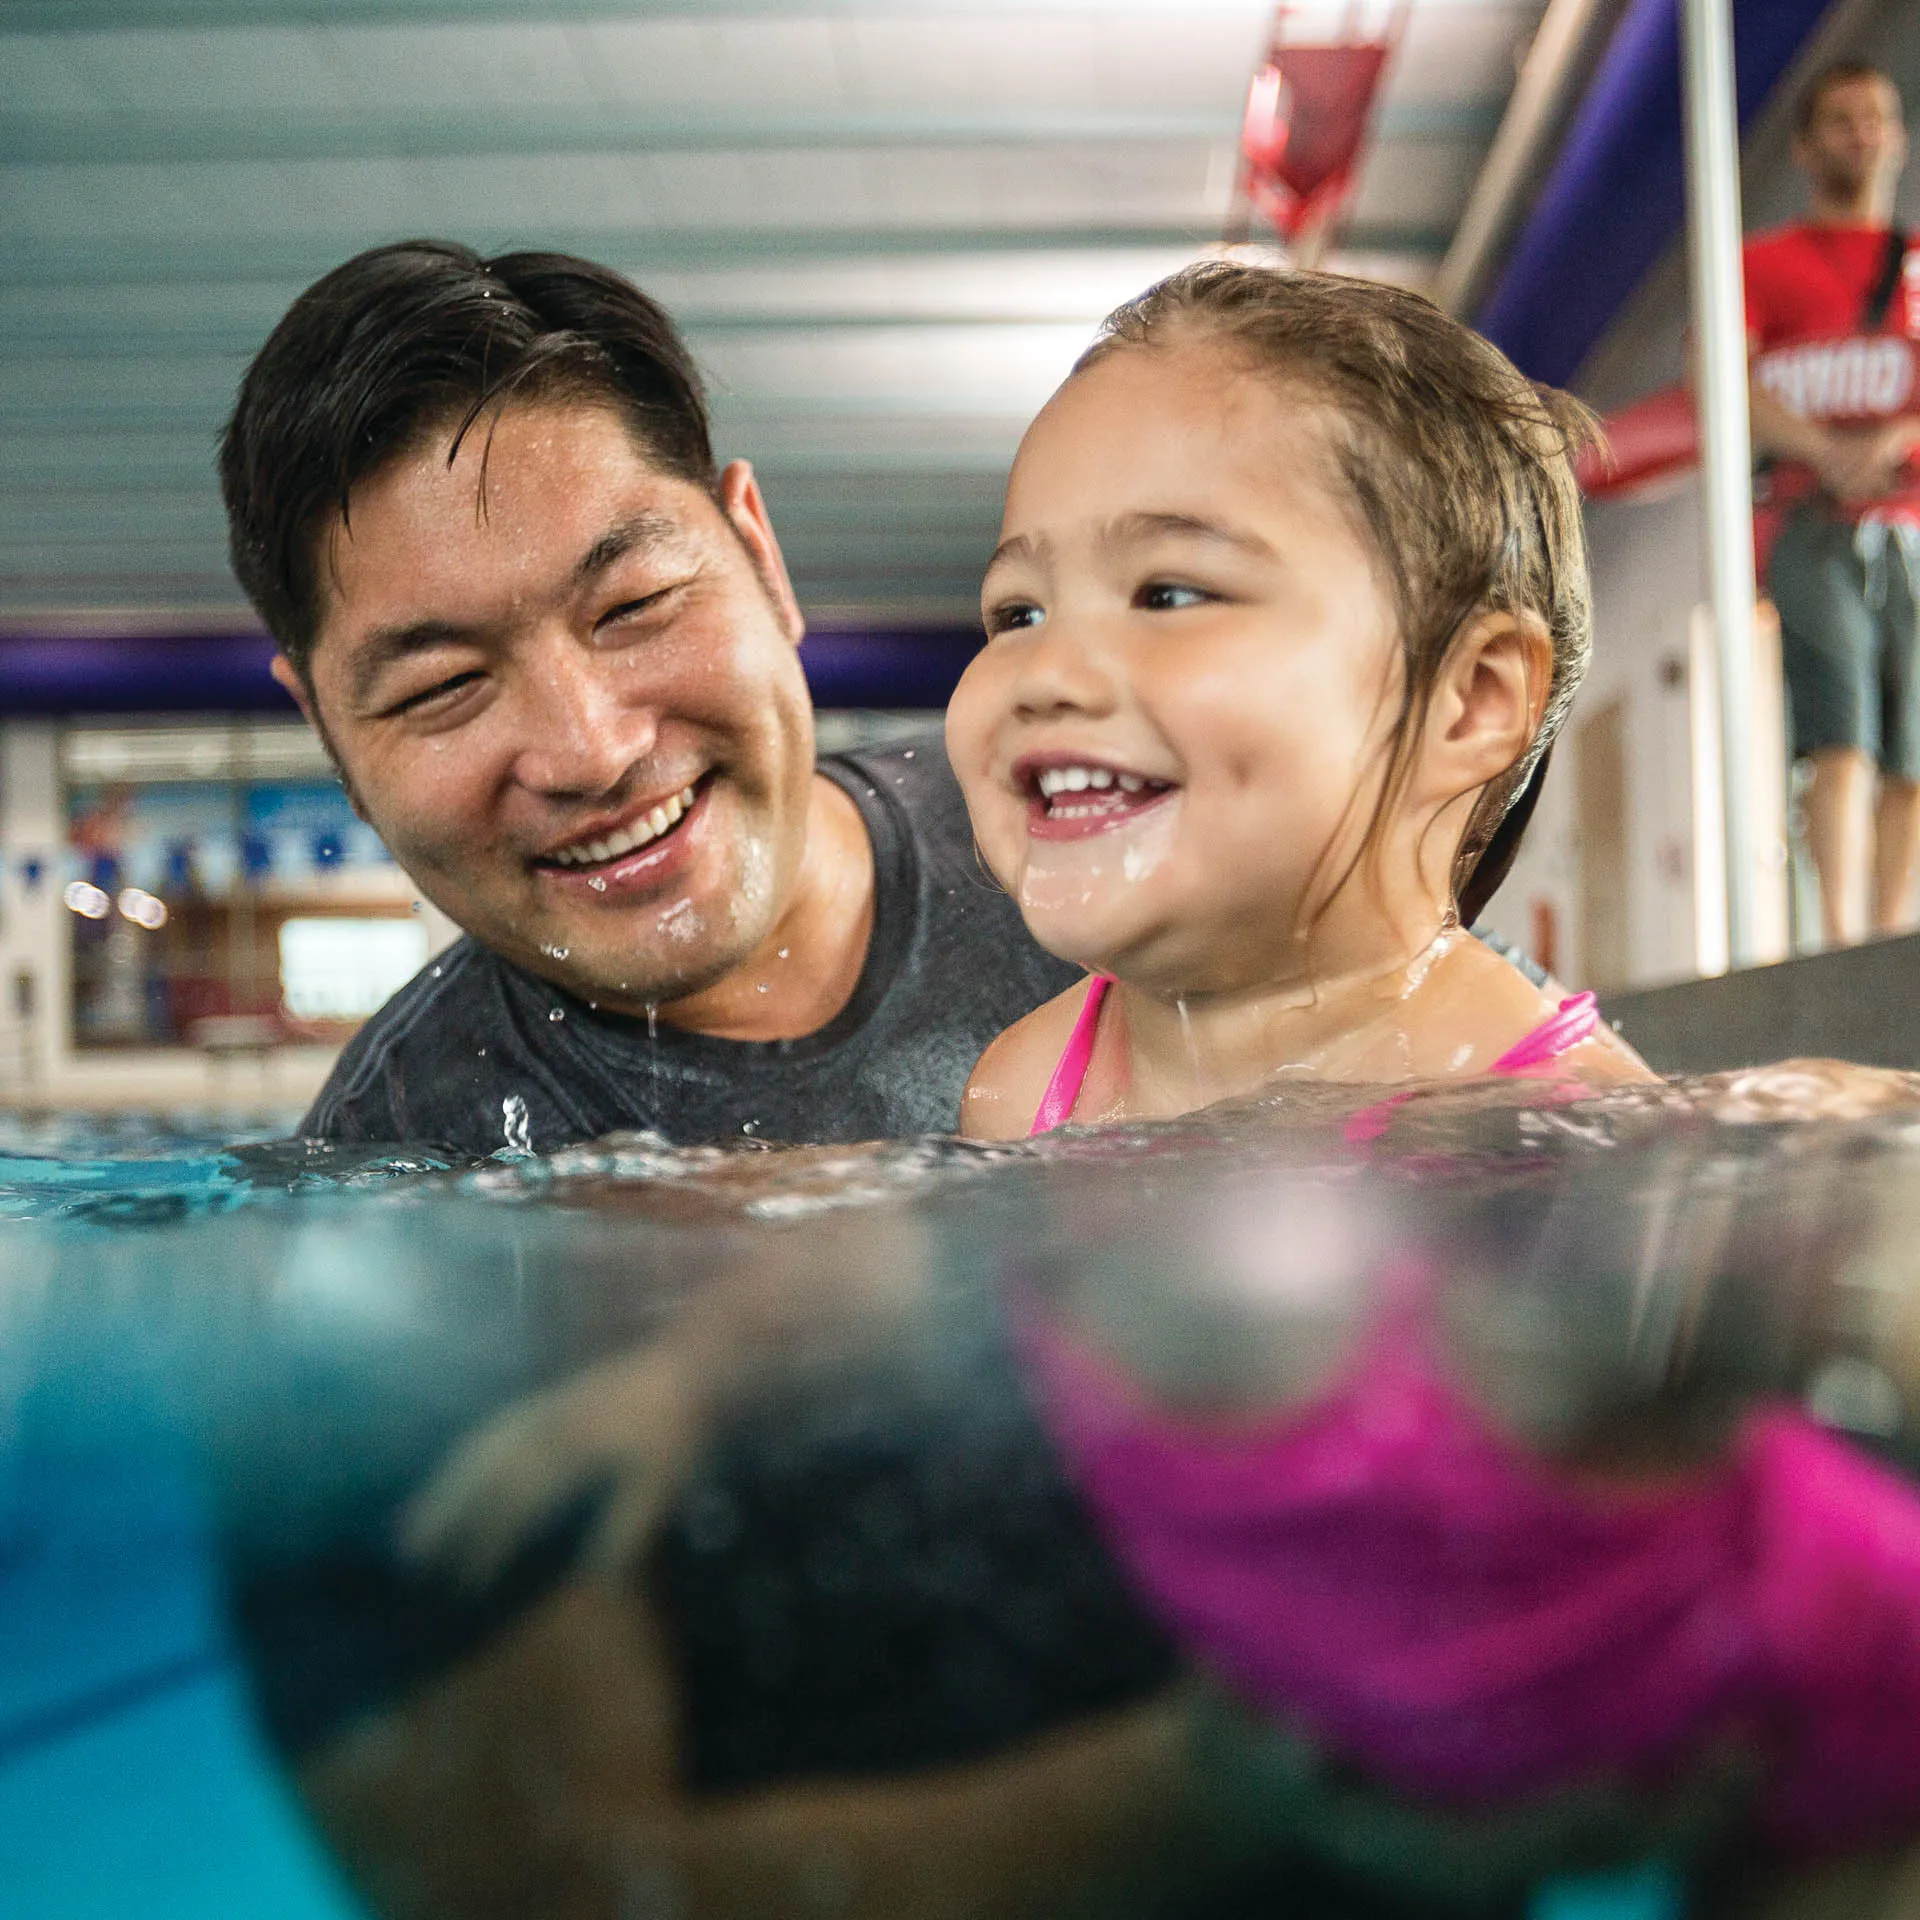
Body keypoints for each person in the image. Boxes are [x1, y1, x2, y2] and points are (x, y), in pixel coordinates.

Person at [218, 241, 1080, 1157]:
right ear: (326, 732)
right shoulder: (394, 1166)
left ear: (759, 553)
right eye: (445, 687)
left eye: (634, 606)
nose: (591, 750)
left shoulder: (1072, 817)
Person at [946, 262, 1652, 1141]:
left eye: (1166, 594)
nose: (1045, 670)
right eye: (1018, 612)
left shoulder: (1557, 1127)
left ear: (1468, 702)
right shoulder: (1021, 1092)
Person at [1745, 62, 1920, 947]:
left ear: (1896, 137)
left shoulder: (1919, 267)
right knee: (1840, 732)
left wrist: (1890, 441)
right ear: (1807, 146)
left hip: (1911, 528)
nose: (1861, 133)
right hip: (1809, 526)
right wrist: (1823, 450)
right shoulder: (1762, 266)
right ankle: (1843, 942)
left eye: (1875, 117)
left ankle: (1892, 939)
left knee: (1911, 747)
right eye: (1841, 119)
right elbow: (1727, 381)